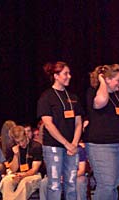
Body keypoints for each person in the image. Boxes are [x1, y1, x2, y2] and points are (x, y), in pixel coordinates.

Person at [37, 61, 83, 200]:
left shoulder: (73, 97)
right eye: (65, 74)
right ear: (56, 76)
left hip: (72, 147)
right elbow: (48, 124)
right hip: (53, 146)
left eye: (69, 73)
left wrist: (74, 143)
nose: (69, 76)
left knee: (71, 183)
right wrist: (66, 144)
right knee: (55, 184)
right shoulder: (46, 97)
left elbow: (79, 122)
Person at [85, 64, 119, 200]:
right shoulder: (94, 92)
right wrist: (102, 82)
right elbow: (101, 102)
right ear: (107, 80)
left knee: (114, 185)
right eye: (118, 80)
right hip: (101, 145)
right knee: (106, 185)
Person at [0, 125, 45, 200]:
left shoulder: (36, 146)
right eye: (18, 142)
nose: (21, 144)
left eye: (22, 140)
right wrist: (16, 155)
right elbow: (13, 169)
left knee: (24, 183)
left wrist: (24, 175)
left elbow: (35, 169)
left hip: (33, 175)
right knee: (6, 181)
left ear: (26, 135)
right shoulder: (12, 147)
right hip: (17, 174)